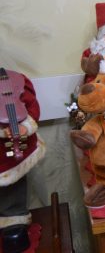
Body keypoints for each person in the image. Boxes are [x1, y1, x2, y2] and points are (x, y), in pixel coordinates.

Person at [0, 69, 45, 252]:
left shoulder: (12, 80)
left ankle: (13, 220)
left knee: (12, 186)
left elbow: (30, 105)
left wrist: (24, 126)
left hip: (6, 152)